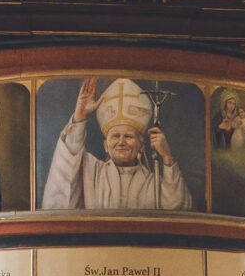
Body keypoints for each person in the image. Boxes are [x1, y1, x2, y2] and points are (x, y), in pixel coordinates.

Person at [40, 77, 188, 212]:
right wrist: (79, 117)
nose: (121, 142)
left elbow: (177, 209)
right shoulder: (91, 172)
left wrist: (167, 158)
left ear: (141, 145)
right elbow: (65, 174)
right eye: (115, 136)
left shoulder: (154, 184)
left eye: (128, 136)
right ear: (106, 145)